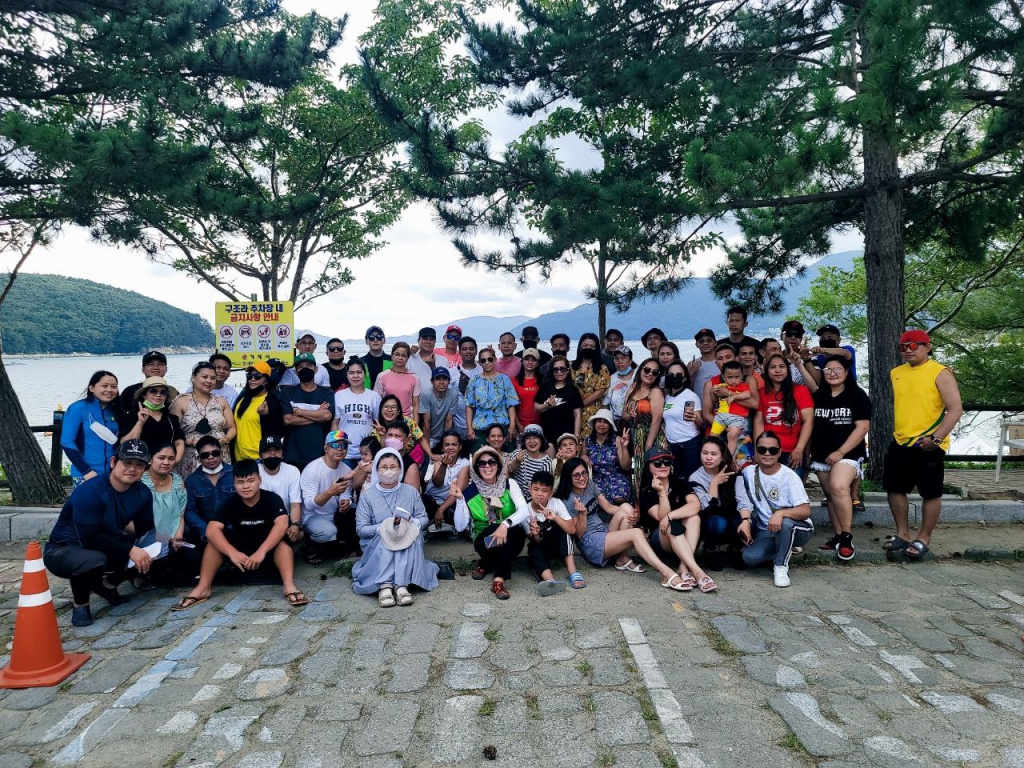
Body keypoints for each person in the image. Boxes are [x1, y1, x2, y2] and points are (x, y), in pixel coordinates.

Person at [44, 440, 157, 626]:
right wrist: (130, 549)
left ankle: (108, 585)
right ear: (113, 462)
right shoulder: (89, 491)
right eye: (127, 462)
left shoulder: (143, 492)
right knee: (93, 559)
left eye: (139, 465)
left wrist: (157, 545)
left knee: (159, 546)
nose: (132, 469)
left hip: (106, 541)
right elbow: (90, 538)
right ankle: (81, 604)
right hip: (64, 549)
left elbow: (146, 529)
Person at [173, 459, 308, 610]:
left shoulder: (272, 498)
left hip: (268, 551)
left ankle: (289, 586)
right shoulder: (230, 502)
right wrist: (233, 553)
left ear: (259, 480)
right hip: (241, 554)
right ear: (234, 484)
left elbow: (282, 525)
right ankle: (203, 587)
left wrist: (261, 552)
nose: (246, 486)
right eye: (240, 482)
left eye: (251, 481)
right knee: (214, 543)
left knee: (283, 543)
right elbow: (211, 530)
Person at [884, 330, 963, 560]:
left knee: (931, 492)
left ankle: (924, 538)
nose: (908, 350)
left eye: (914, 345)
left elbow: (955, 409)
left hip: (928, 442)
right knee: (895, 488)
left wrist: (936, 439)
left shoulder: (940, 372)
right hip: (900, 440)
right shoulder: (896, 373)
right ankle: (902, 534)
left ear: (927, 347)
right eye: (903, 347)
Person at [555, 458, 688, 590]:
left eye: (584, 473)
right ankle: (666, 573)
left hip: (603, 531)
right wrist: (583, 514)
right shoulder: (568, 499)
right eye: (576, 475)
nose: (582, 478)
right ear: (568, 477)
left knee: (626, 507)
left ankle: (622, 558)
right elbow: (578, 534)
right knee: (636, 533)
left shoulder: (589, 485)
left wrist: (633, 515)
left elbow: (608, 507)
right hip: (590, 543)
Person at [351, 448, 439, 606]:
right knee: (387, 537)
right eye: (384, 467)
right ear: (377, 469)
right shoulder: (367, 496)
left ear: (400, 469)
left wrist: (411, 522)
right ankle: (384, 586)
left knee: (408, 536)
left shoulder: (411, 492)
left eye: (393, 467)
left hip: (406, 537)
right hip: (376, 541)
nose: (389, 471)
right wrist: (384, 527)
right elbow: (361, 529)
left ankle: (401, 585)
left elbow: (424, 518)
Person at [805, 355, 870, 561]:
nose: (832, 373)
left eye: (837, 369)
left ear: (847, 372)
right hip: (821, 454)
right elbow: (810, 425)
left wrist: (840, 452)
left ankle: (846, 537)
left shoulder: (857, 395)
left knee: (839, 487)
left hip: (848, 453)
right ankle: (838, 534)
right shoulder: (819, 395)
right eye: (828, 370)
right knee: (831, 495)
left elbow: (863, 428)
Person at [451, 446, 530, 600]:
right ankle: (491, 568)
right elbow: (460, 526)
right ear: (476, 468)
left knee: (514, 531)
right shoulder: (469, 492)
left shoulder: (510, 484)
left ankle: (494, 575)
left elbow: (524, 510)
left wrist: (505, 525)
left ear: (498, 465)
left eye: (492, 462)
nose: (487, 466)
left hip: (511, 537)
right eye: (482, 463)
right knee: (494, 528)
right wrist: (460, 500)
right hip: (484, 543)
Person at [736, 431, 814, 587]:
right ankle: (784, 548)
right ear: (756, 451)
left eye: (772, 450)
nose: (767, 454)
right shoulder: (748, 472)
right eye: (762, 449)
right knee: (749, 557)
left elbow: (805, 511)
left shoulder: (790, 477)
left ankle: (781, 565)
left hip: (798, 528)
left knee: (785, 523)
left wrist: (781, 513)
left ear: (779, 452)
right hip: (767, 530)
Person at [638, 447, 717, 592]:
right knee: (671, 526)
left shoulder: (679, 481)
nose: (663, 465)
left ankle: (683, 566)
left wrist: (671, 516)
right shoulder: (646, 491)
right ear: (649, 466)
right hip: (661, 538)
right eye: (658, 463)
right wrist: (661, 492)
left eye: (667, 462)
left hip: (684, 536)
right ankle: (698, 571)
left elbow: (695, 505)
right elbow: (661, 517)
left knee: (693, 518)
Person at [523, 470, 585, 593]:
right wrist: (535, 534)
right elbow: (535, 541)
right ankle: (550, 581)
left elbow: (572, 530)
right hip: (542, 547)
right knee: (533, 548)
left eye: (544, 490)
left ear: (551, 493)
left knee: (561, 526)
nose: (539, 494)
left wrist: (555, 518)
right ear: (530, 489)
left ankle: (572, 571)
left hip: (559, 546)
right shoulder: (524, 511)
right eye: (536, 489)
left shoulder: (556, 503)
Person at [172, 362, 236, 478]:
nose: (209, 381)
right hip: (192, 456)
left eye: (213, 378)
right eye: (205, 377)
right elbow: (172, 431)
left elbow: (232, 428)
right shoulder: (181, 401)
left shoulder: (221, 401)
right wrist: (185, 441)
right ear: (193, 377)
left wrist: (225, 439)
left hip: (219, 453)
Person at [300, 430, 355, 563]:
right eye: (335, 445)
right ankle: (310, 544)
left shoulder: (346, 469)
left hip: (335, 514)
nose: (340, 449)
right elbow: (309, 504)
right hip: (313, 516)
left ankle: (335, 546)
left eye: (343, 446)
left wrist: (345, 501)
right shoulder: (312, 470)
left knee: (357, 514)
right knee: (328, 533)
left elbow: (347, 494)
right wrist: (330, 492)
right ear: (326, 448)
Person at [755, 353, 814, 475]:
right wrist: (758, 450)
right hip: (767, 451)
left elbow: (809, 421)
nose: (777, 370)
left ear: (788, 369)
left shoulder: (801, 390)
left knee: (792, 485)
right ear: (767, 370)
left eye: (782, 366)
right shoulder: (761, 392)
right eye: (773, 367)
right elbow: (758, 422)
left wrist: (799, 449)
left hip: (793, 452)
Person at [142, 441, 193, 582]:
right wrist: (165, 538)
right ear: (151, 459)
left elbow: (180, 514)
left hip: (173, 532)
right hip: (148, 534)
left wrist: (178, 535)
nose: (166, 462)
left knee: (192, 557)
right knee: (164, 555)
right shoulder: (141, 482)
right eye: (161, 458)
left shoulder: (178, 481)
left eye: (171, 458)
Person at [62, 370, 124, 486]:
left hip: (113, 475)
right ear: (92, 388)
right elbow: (67, 442)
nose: (109, 390)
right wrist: (86, 471)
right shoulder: (78, 408)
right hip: (85, 474)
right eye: (104, 386)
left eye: (114, 386)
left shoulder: (117, 411)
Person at [689, 436, 743, 565]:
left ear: (722, 457)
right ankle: (709, 550)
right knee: (717, 522)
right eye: (705, 453)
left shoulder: (733, 473)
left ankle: (735, 550)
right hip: (709, 520)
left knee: (747, 521)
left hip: (732, 515)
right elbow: (706, 508)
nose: (708, 458)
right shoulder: (695, 477)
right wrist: (714, 483)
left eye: (713, 454)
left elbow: (743, 500)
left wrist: (746, 519)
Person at [278, 353, 334, 471]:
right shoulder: (287, 393)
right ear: (295, 372)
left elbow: (327, 416)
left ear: (316, 369)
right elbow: (288, 420)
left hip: (319, 454)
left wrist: (299, 412)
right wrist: (318, 413)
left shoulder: (327, 393)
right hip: (293, 454)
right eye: (300, 367)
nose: (305, 369)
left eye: (309, 365)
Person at [621, 358, 668, 493]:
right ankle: (640, 503)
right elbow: (623, 414)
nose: (650, 374)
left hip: (653, 436)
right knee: (638, 473)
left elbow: (657, 419)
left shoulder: (655, 391)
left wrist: (648, 445)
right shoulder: (632, 388)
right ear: (640, 369)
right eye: (647, 370)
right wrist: (630, 415)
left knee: (655, 472)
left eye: (654, 372)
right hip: (636, 435)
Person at [183, 435, 236, 545]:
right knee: (186, 529)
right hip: (205, 529)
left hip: (233, 526)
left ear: (221, 453)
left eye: (215, 453)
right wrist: (205, 529)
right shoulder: (191, 481)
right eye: (205, 455)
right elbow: (189, 511)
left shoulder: (235, 473)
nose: (211, 457)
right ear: (199, 458)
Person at [332, 358, 381, 469]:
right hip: (344, 451)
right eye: (351, 373)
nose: (355, 376)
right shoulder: (339, 395)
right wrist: (336, 445)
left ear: (365, 374)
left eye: (359, 372)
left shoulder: (374, 396)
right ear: (346, 375)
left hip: (366, 452)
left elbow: (377, 423)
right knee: (344, 480)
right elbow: (335, 423)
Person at [465, 347, 520, 446]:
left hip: (502, 426)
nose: (487, 362)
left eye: (490, 359)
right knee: (479, 455)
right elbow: (469, 405)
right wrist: (469, 427)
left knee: (506, 455)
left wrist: (512, 425)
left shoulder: (504, 379)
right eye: (483, 360)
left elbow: (511, 404)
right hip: (480, 427)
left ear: (495, 359)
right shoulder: (474, 380)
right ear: (480, 363)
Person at [233, 360, 285, 462]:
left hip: (258, 458)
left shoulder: (271, 401)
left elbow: (279, 432)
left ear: (266, 380)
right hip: (239, 458)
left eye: (257, 376)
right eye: (249, 376)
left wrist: (265, 416)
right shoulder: (242, 399)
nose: (252, 379)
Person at [257, 435, 303, 546]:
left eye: (276, 450)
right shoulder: (254, 471)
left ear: (282, 453)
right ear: (260, 455)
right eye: (267, 451)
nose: (272, 454)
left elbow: (295, 504)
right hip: (262, 518)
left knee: (299, 534)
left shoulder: (292, 471)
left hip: (285, 518)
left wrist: (295, 525)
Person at [661, 361, 703, 479]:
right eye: (671, 375)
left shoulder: (691, 396)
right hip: (672, 445)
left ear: (684, 378)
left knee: (690, 479)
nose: (675, 377)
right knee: (676, 479)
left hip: (689, 444)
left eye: (679, 375)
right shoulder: (667, 397)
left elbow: (701, 424)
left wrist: (695, 418)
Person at [581, 409, 632, 504]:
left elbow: (626, 466)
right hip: (596, 479)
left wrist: (624, 447)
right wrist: (583, 456)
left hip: (616, 478)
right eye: (599, 421)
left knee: (619, 499)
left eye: (605, 422)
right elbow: (582, 458)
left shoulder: (617, 440)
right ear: (594, 423)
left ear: (610, 425)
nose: (601, 424)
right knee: (595, 501)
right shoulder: (587, 441)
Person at [422, 431, 470, 530]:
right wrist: (444, 465)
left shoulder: (464, 463)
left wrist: (441, 510)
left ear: (460, 447)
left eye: (454, 444)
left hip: (450, 501)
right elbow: (438, 483)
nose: (450, 447)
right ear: (442, 448)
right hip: (432, 499)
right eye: (447, 445)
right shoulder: (437, 459)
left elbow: (457, 491)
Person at [534, 355, 584, 448]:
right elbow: (536, 408)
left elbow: (577, 415)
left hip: (567, 436)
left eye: (562, 369)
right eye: (555, 369)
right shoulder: (545, 387)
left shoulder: (573, 390)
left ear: (568, 370)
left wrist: (576, 436)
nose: (559, 372)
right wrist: (546, 405)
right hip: (547, 435)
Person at [709, 360, 755, 458]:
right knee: (712, 438)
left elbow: (747, 394)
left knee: (732, 435)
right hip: (720, 417)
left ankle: (728, 457)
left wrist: (733, 396)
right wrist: (711, 391)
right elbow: (714, 400)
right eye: (730, 377)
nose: (733, 380)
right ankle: (713, 456)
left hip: (736, 418)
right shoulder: (721, 387)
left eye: (737, 377)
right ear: (723, 377)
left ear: (742, 376)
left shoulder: (743, 386)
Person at [372, 394, 431, 466]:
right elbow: (382, 451)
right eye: (386, 407)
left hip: (412, 458)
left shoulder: (408, 421)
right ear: (381, 410)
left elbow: (421, 438)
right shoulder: (377, 430)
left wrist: (431, 454)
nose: (389, 410)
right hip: (390, 462)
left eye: (393, 407)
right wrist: (383, 436)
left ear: (398, 411)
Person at [572, 333, 611, 438]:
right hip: (571, 413)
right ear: (580, 346)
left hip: (592, 413)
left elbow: (599, 393)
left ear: (596, 348)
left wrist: (579, 405)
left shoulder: (602, 369)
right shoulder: (571, 366)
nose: (588, 348)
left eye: (591, 346)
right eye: (585, 345)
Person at [374, 342, 421, 417]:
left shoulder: (415, 378)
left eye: (404, 355)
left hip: (407, 419)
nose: (400, 358)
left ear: (408, 358)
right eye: (397, 354)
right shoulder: (382, 376)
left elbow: (415, 405)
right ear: (392, 356)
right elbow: (377, 402)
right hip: (388, 418)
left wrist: (415, 423)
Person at [508, 424, 555, 500]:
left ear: (541, 440)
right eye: (528, 438)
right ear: (524, 441)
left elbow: (544, 485)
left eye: (535, 437)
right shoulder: (518, 453)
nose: (531, 441)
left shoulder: (546, 462)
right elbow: (510, 469)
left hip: (535, 499)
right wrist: (517, 461)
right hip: (514, 497)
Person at [419, 366, 460, 450]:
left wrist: (445, 442)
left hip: (443, 436)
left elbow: (449, 420)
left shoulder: (453, 394)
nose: (441, 382)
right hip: (428, 435)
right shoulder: (426, 394)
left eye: (444, 379)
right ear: (432, 381)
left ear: (449, 381)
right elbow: (426, 422)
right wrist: (427, 448)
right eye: (438, 379)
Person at [452, 336, 482, 437]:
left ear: (476, 351)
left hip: (480, 424)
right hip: (457, 424)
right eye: (464, 349)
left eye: (471, 349)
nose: (468, 352)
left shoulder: (483, 371)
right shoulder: (452, 372)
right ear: (459, 352)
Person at [780, 320, 819, 386]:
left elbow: (818, 382)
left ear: (801, 339)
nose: (793, 338)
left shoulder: (811, 357)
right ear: (781, 336)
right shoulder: (776, 358)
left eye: (797, 335)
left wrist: (806, 360)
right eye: (789, 334)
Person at [512, 348, 543, 430]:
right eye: (527, 359)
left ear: (537, 363)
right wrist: (518, 425)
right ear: (522, 362)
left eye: (533, 360)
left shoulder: (543, 381)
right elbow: (512, 406)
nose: (530, 362)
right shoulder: (515, 381)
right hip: (521, 425)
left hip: (541, 425)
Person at [604, 345, 636, 426]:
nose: (619, 361)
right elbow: (605, 404)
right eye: (616, 358)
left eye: (623, 358)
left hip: (636, 420)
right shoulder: (610, 379)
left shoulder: (638, 376)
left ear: (630, 361)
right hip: (616, 423)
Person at [689, 328, 721, 403]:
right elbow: (688, 390)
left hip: (721, 407)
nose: (705, 343)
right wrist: (691, 374)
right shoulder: (692, 364)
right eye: (701, 341)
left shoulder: (722, 362)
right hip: (699, 407)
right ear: (696, 344)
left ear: (715, 343)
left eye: (709, 340)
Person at [407, 327, 440, 394]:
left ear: (435, 342)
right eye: (425, 338)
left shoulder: (443, 360)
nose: (428, 342)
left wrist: (432, 366)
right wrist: (407, 353)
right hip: (412, 399)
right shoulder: (409, 358)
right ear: (418, 341)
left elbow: (443, 382)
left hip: (434, 399)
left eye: (431, 339)